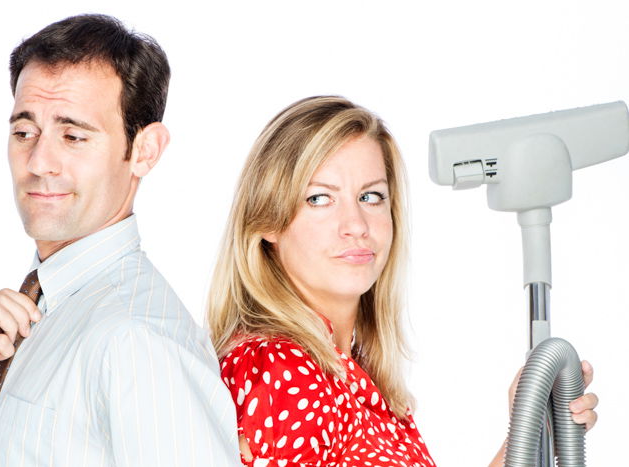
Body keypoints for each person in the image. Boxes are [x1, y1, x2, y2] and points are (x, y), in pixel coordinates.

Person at [207, 96, 598, 466]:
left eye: (372, 196)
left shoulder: (351, 374)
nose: (356, 226)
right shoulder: (279, 369)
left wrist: (527, 431)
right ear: (268, 221)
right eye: (319, 199)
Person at [0, 14, 239, 467]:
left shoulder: (139, 340)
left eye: (73, 135)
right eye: (23, 132)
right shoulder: (39, 309)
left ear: (144, 150)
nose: (39, 162)